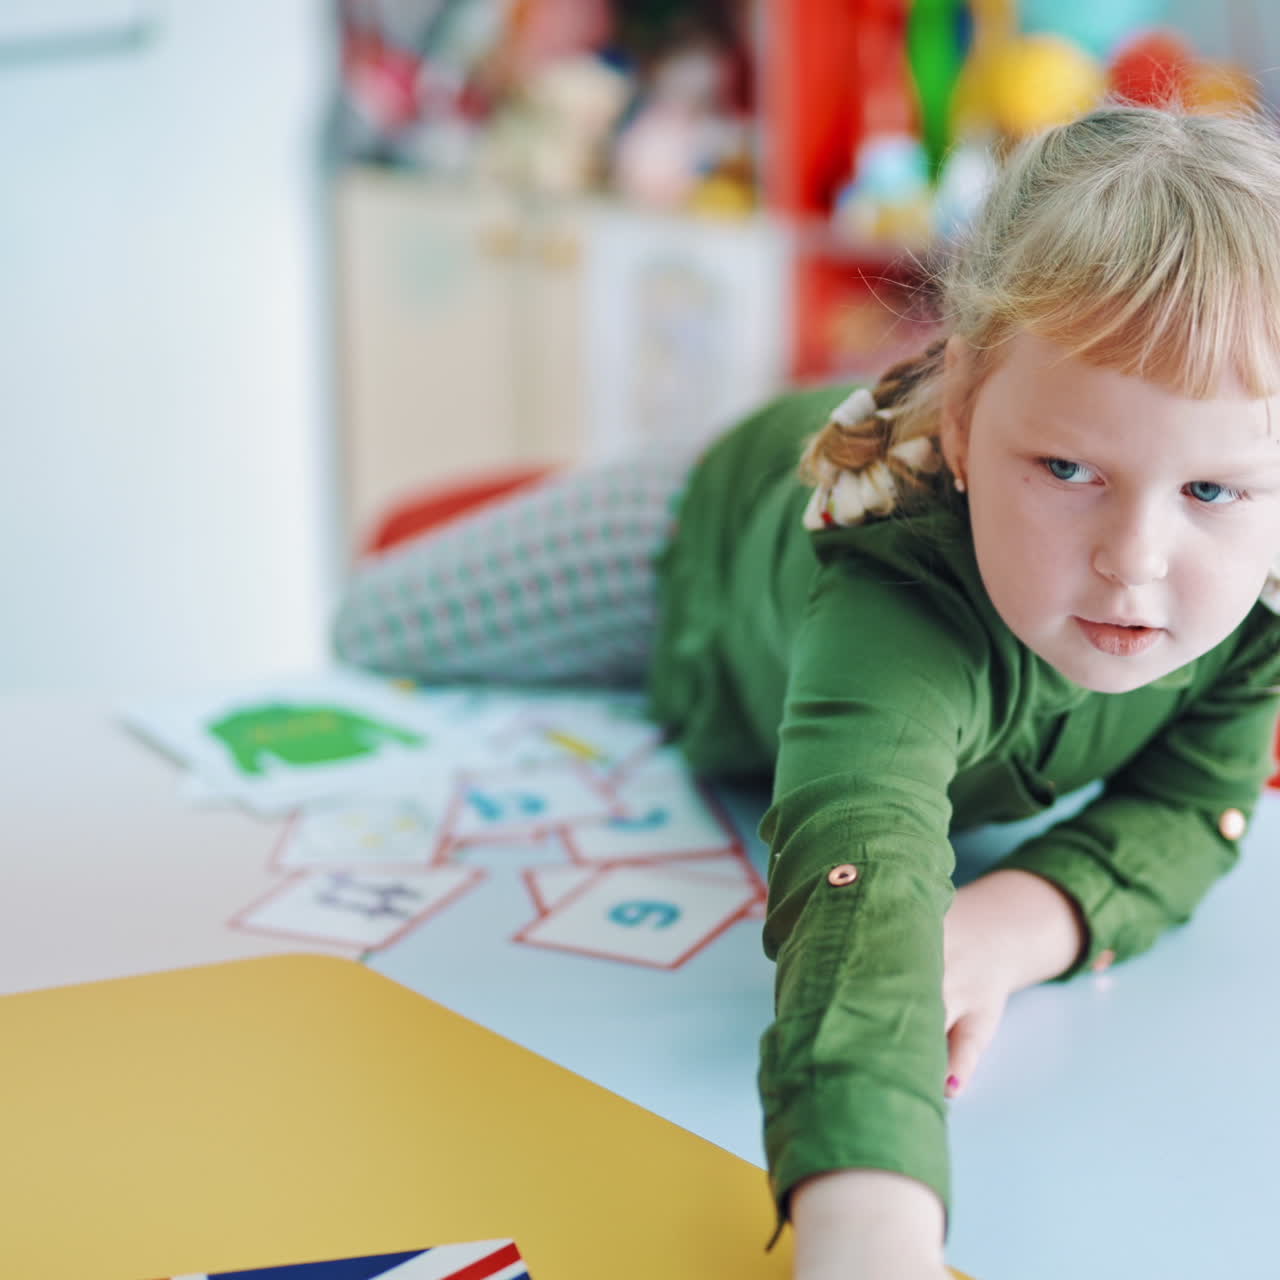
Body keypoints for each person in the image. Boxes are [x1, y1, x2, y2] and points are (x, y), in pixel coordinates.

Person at [332, 105, 1280, 1279]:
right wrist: (869, 1235)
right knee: (371, 623)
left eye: (1212, 490)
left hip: (785, 625)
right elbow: (860, 883)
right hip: (687, 541)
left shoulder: (1258, 599)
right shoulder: (895, 587)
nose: (1133, 559)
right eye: (1068, 468)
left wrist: (1008, 924)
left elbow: (1192, 807)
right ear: (966, 409)